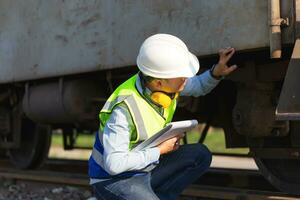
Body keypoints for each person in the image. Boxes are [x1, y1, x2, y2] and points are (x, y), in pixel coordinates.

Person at [88, 33, 237, 200]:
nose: (186, 79)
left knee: (200, 155)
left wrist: (216, 72)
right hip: (113, 179)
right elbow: (114, 164)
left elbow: (198, 86)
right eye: (181, 76)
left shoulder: (167, 85)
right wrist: (159, 150)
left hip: (144, 167)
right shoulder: (123, 110)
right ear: (159, 83)